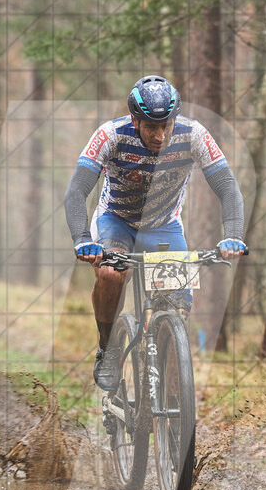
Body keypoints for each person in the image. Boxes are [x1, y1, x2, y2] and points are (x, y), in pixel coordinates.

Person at [65, 75, 247, 390]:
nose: (160, 135)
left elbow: (228, 187)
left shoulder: (194, 135)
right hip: (116, 220)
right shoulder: (111, 134)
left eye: (167, 125)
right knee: (109, 275)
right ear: (135, 121)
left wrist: (232, 233)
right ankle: (108, 349)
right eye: (152, 127)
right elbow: (76, 190)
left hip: (164, 225)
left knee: (178, 306)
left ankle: (169, 394)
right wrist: (83, 240)